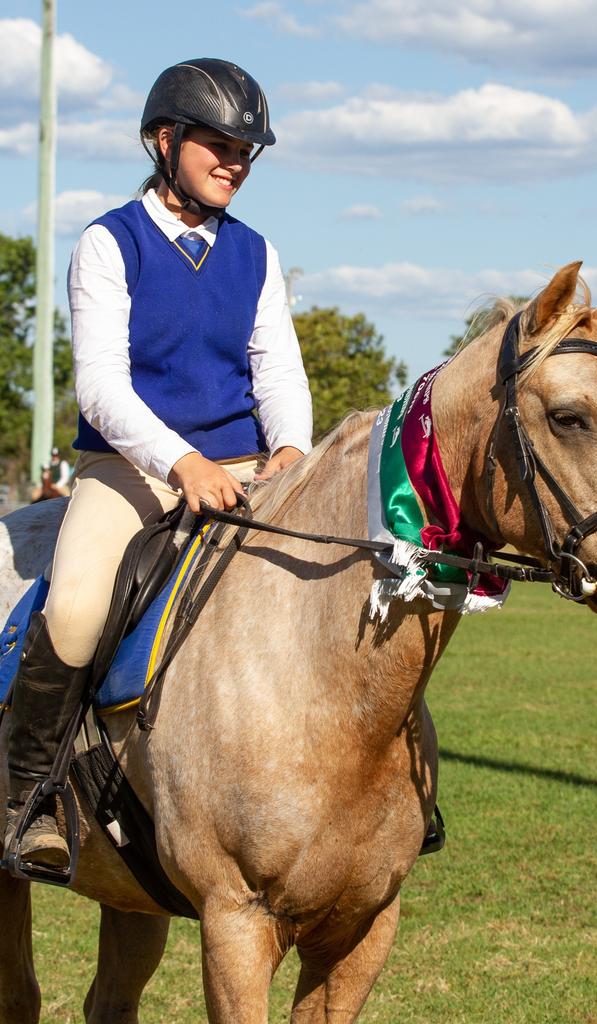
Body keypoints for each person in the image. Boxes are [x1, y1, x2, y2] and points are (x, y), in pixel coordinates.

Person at [3, 59, 313, 870]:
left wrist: (289, 449)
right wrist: (182, 463)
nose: (237, 161)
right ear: (162, 140)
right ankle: (26, 797)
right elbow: (102, 387)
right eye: (219, 143)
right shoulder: (111, 242)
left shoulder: (257, 255)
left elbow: (275, 366)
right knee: (73, 607)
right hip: (132, 470)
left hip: (246, 467)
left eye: (248, 148)